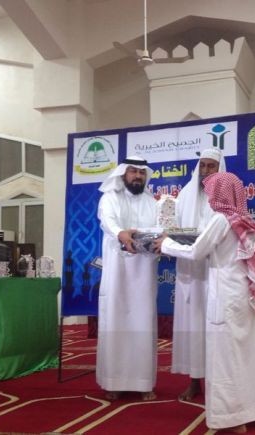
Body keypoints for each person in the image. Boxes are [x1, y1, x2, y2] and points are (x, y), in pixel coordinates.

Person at [156, 172, 255, 433]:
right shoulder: (246, 219)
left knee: (225, 358)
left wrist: (165, 244)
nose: (210, 197)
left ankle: (233, 419)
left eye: (212, 192)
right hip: (247, 296)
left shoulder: (221, 219)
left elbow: (196, 251)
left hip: (225, 297)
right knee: (253, 354)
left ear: (221, 194)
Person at [95, 156, 159, 401]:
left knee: (143, 321)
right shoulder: (110, 197)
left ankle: (144, 383)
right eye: (133, 171)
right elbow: (108, 221)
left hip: (144, 269)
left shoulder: (152, 202)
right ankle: (114, 382)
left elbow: (158, 229)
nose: (138, 176)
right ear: (123, 174)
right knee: (116, 320)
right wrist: (120, 233)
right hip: (117, 268)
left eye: (142, 172)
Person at [172, 148, 226, 401]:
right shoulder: (185, 194)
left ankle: (219, 383)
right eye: (202, 165)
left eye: (211, 166)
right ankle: (195, 382)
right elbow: (173, 228)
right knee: (193, 326)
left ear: (219, 168)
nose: (205, 170)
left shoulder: (227, 195)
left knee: (216, 328)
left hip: (216, 269)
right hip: (190, 272)